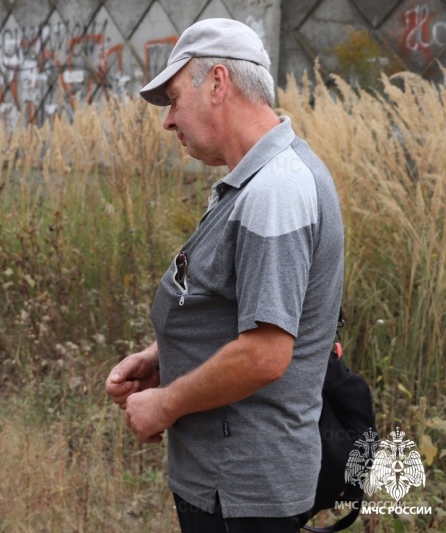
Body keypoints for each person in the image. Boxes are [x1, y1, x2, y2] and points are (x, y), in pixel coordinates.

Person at [105, 18, 344, 533]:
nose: (168, 121)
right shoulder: (261, 180)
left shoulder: (275, 193)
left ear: (217, 83)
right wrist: (162, 358)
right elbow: (238, 311)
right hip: (231, 487)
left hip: (243, 494)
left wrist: (165, 405)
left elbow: (264, 353)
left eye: (172, 98)